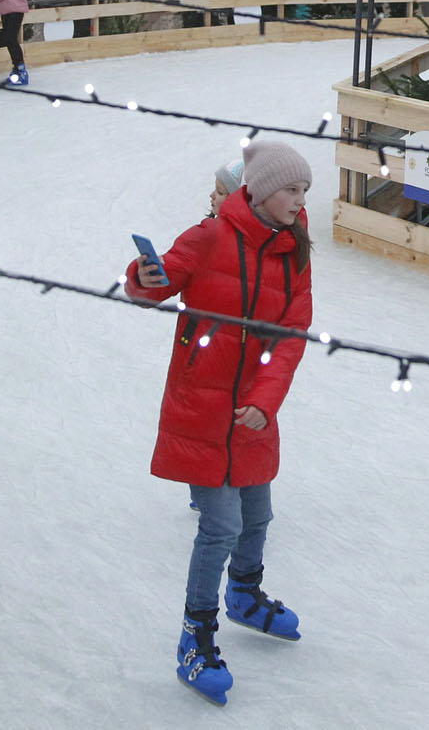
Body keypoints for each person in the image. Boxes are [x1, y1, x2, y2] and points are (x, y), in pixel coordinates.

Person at [126, 140, 315, 707]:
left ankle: (245, 597)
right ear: (258, 191)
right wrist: (145, 273)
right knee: (220, 525)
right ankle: (196, 636)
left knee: (258, 513)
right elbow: (156, 287)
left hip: (254, 412)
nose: (300, 200)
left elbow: (291, 334)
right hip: (201, 407)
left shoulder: (294, 248)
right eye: (291, 189)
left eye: (305, 190)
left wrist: (266, 399)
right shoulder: (209, 237)